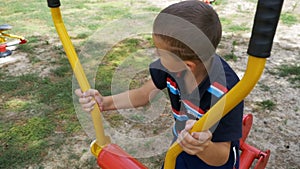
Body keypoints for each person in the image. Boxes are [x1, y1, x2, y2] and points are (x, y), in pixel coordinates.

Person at [75, 1, 243, 168]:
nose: (155, 55)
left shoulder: (227, 91)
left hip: (211, 158)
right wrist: (105, 102)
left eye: (159, 51)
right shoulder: (170, 68)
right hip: (180, 148)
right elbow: (142, 95)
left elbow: (222, 156)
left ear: (187, 65)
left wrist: (202, 146)